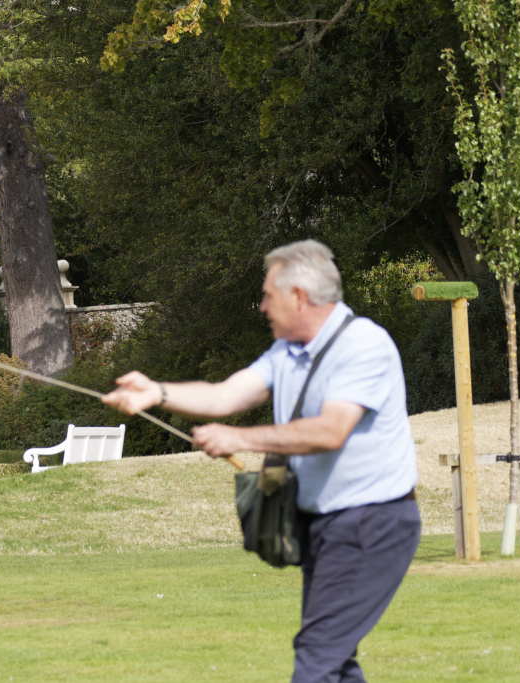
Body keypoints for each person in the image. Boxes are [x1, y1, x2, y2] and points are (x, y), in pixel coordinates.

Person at [102, 239, 420, 683]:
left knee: (317, 657)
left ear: (299, 296)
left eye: (268, 295)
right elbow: (225, 395)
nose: (263, 306)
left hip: (373, 522)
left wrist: (238, 437)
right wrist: (158, 392)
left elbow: (330, 431)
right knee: (334, 661)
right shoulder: (285, 351)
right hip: (323, 524)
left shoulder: (364, 344)